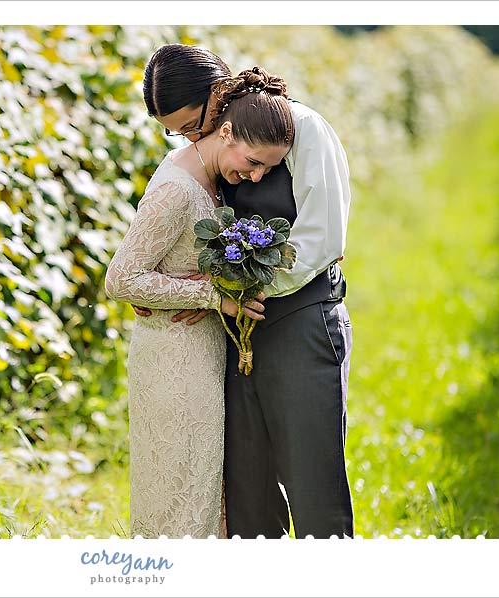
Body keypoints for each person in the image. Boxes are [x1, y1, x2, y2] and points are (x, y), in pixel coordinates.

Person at [138, 44, 354, 539]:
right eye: (179, 132)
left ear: (219, 96)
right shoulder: (211, 151)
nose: (192, 138)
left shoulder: (303, 128)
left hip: (301, 321)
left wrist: (238, 285)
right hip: (233, 334)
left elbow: (321, 238)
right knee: (248, 495)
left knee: (313, 485)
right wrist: (185, 288)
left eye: (194, 123)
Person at [104, 67, 297, 538]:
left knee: (205, 490)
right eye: (253, 163)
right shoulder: (176, 187)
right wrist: (214, 297)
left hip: (203, 353)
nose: (255, 177)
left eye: (264, 170)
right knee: (182, 495)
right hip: (174, 358)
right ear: (227, 131)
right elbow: (121, 278)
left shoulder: (214, 166)